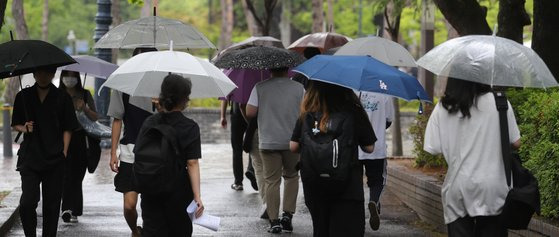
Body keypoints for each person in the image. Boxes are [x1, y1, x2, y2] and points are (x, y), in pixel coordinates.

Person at [424, 78, 521, 237]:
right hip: (494, 188)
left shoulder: (444, 106)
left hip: (458, 187)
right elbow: (516, 142)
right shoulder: (500, 102)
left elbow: (432, 148)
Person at [290, 81, 376, 237]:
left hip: (315, 184)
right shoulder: (353, 111)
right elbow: (369, 147)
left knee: (321, 229)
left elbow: (293, 146)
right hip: (348, 186)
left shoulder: (308, 113)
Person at [12, 66, 79, 237]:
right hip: (30, 158)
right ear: (34, 73)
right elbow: (15, 124)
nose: (43, 76)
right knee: (27, 202)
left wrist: (64, 150)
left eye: (47, 72)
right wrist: (24, 128)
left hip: (55, 158)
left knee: (52, 206)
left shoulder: (62, 98)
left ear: (53, 73)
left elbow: (68, 127)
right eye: (40, 72)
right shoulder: (23, 97)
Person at [138, 74, 204, 236]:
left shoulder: (149, 123)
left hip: (150, 190)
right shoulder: (190, 127)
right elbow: (192, 163)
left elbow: (139, 154)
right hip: (179, 193)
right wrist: (197, 197)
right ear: (183, 99)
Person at [246, 67, 304, 234]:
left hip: (268, 141)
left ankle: (274, 222)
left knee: (272, 181)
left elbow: (250, 112)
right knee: (292, 176)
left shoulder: (260, 87)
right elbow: (307, 111)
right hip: (292, 141)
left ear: (270, 68)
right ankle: (287, 216)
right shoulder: (299, 87)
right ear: (288, 69)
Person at [107, 47, 157, 237]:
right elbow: (117, 119)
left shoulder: (163, 85)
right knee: (129, 206)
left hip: (157, 153)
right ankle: (135, 230)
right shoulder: (122, 85)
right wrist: (113, 153)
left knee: (152, 205)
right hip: (130, 153)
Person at [59, 70, 98, 224]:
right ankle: (66, 208)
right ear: (62, 77)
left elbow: (96, 117)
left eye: (73, 76)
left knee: (77, 175)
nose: (69, 79)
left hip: (81, 139)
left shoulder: (85, 94)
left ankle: (75, 209)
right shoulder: (58, 94)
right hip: (61, 138)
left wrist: (85, 108)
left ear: (77, 78)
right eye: (66, 75)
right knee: (65, 174)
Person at [357, 92, 393, 231]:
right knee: (377, 180)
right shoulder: (384, 93)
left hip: (356, 147)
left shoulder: (352, 90)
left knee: (355, 182)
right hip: (376, 147)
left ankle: (358, 217)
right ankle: (374, 201)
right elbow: (389, 120)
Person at [220, 99, 257, 191]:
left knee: (237, 149)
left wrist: (223, 116)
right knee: (253, 145)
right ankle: (251, 170)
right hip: (251, 114)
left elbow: (224, 97)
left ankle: (238, 182)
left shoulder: (234, 83)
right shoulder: (254, 84)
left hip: (236, 115)